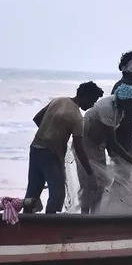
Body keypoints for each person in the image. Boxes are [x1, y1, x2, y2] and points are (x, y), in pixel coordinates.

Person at [26, 82, 102, 214]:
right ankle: (50, 226)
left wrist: (50, 131)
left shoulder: (58, 100)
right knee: (57, 194)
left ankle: (25, 222)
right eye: (92, 101)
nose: (92, 105)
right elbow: (79, 148)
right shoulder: (77, 118)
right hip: (52, 155)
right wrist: (90, 172)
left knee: (33, 190)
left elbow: (37, 118)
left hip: (35, 149)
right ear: (85, 96)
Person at [78, 83, 132, 213]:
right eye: (131, 101)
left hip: (99, 145)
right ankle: (85, 216)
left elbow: (109, 138)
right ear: (123, 99)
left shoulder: (120, 109)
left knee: (100, 184)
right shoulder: (107, 108)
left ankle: (95, 215)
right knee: (89, 182)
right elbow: (112, 142)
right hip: (85, 145)